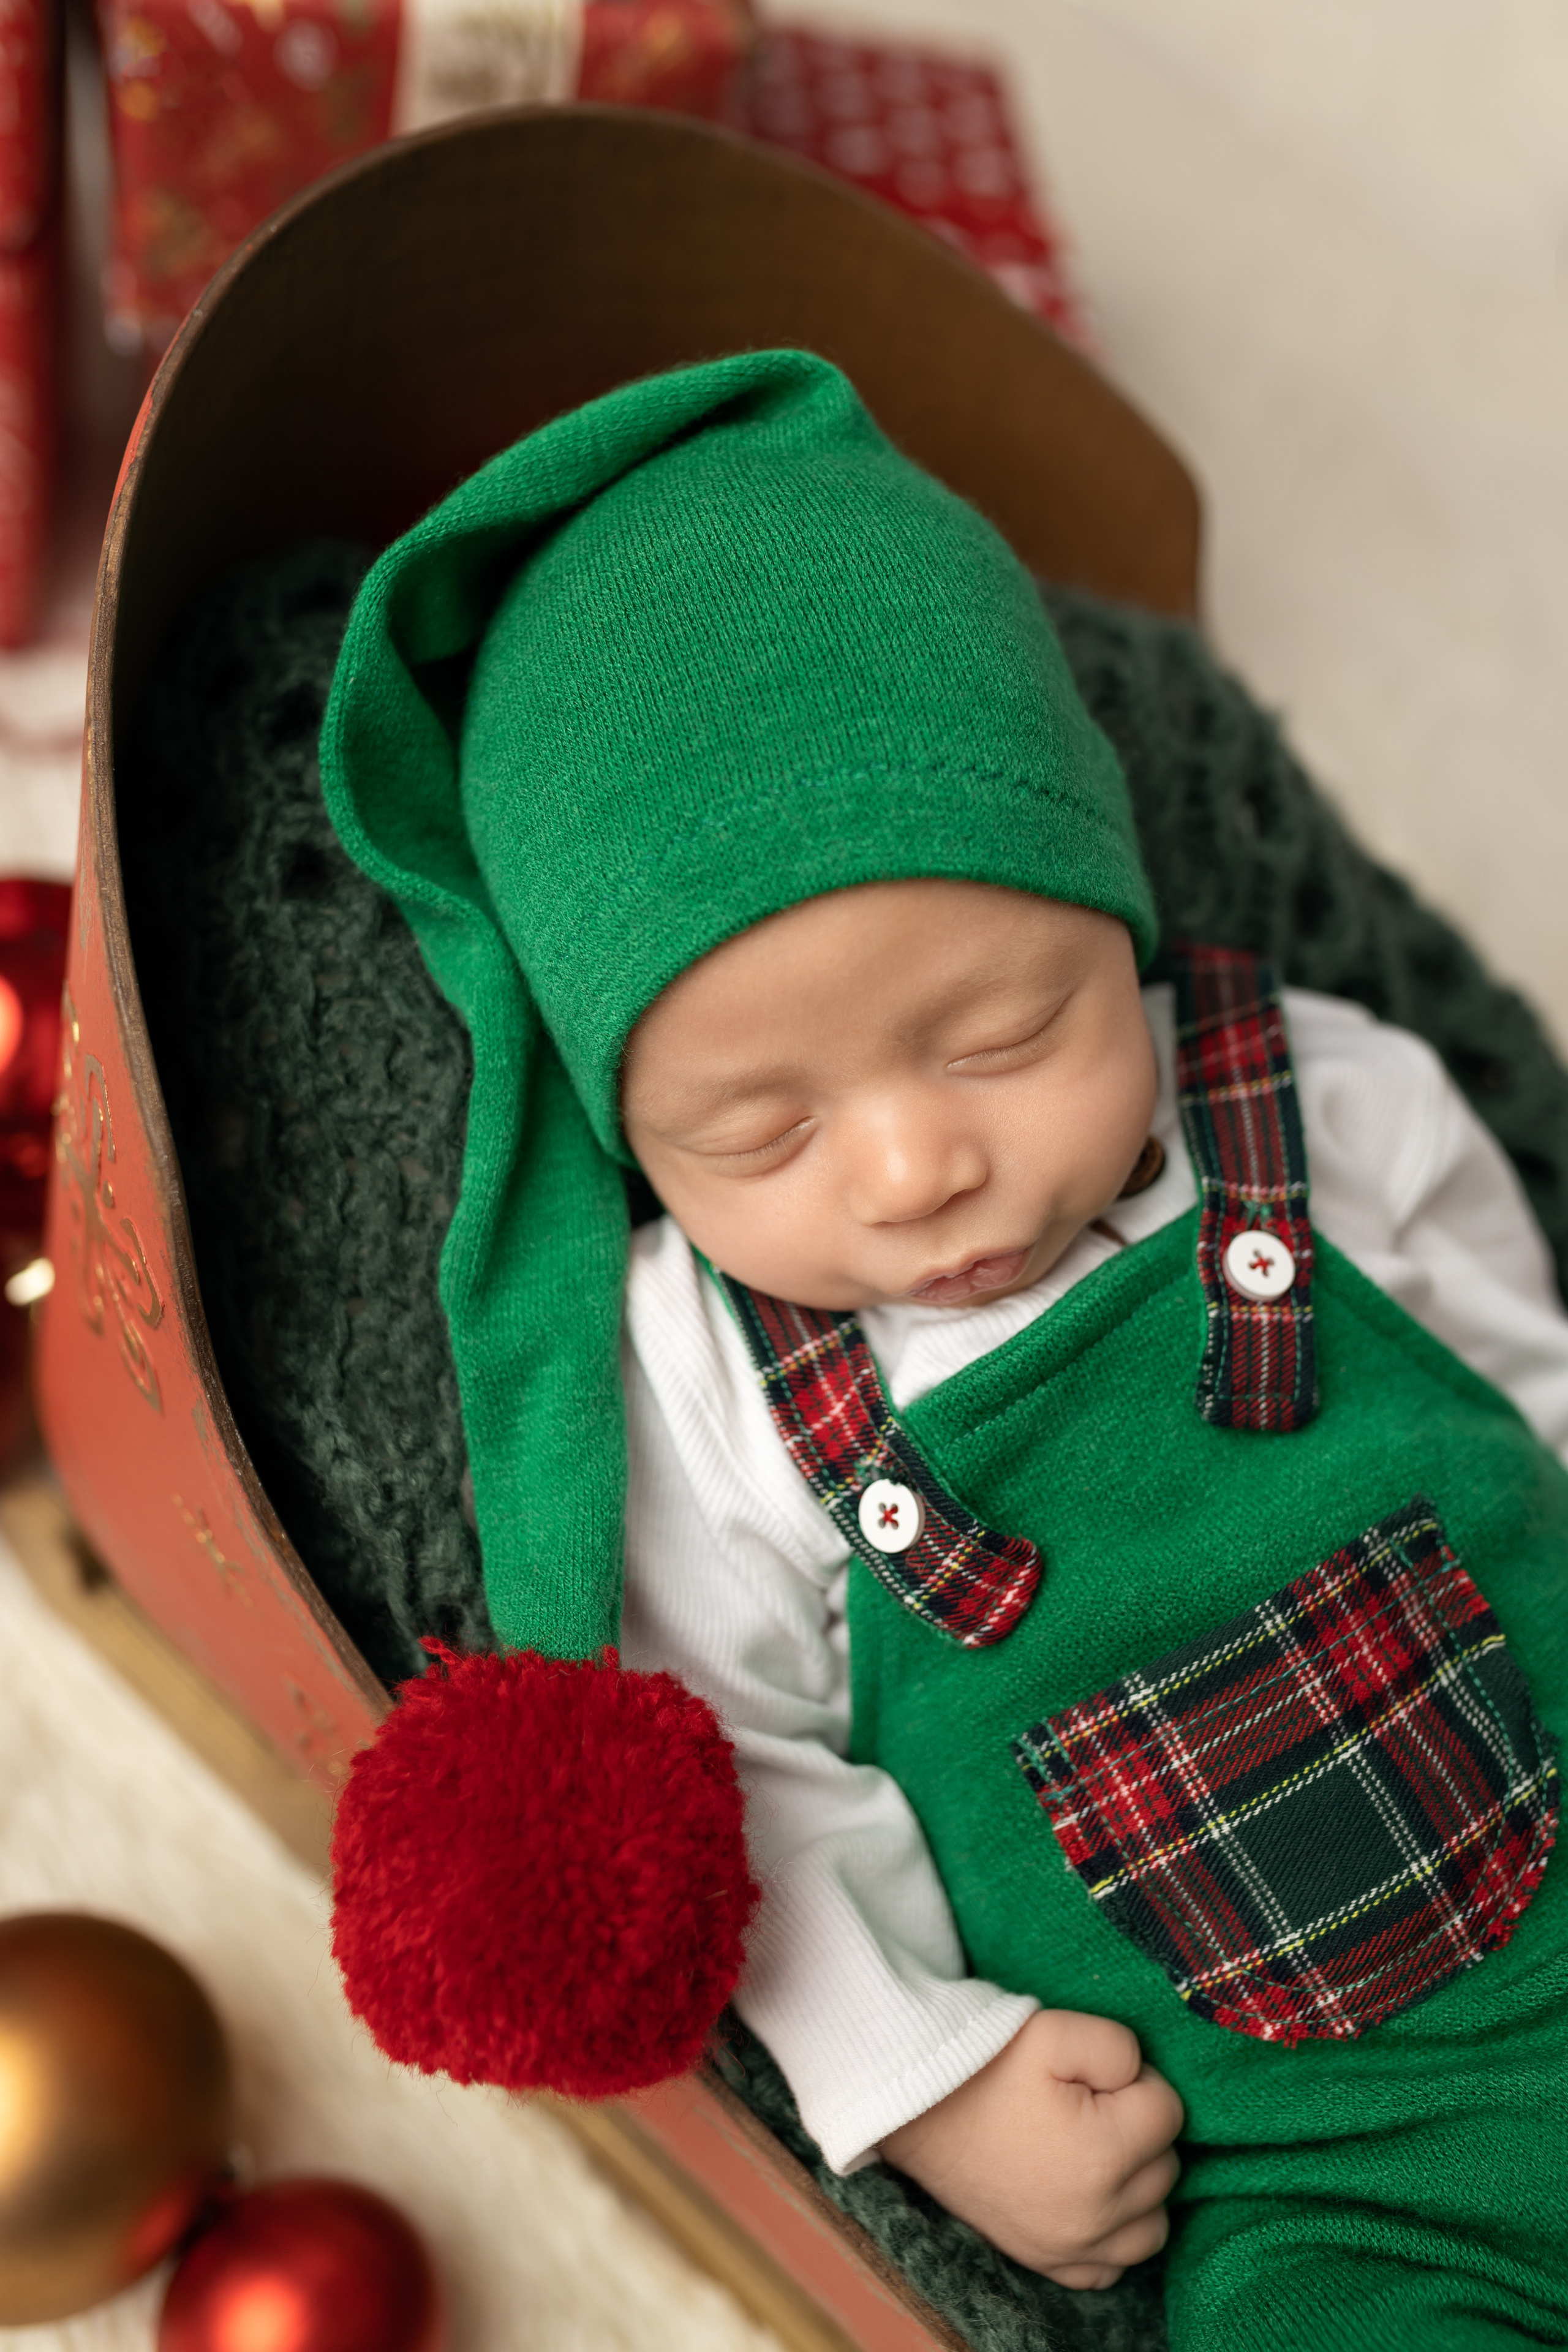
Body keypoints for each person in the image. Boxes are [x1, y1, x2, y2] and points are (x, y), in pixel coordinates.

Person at [322, 348, 1568, 2349]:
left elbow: (1529, 1399)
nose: (917, 1168)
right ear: (628, 1137)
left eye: (1007, 1035)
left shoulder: (1331, 1104)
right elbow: (747, 1784)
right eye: (763, 1132)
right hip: (1340, 2190)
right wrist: (928, 2082)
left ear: (1117, 912)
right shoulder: (713, 1397)